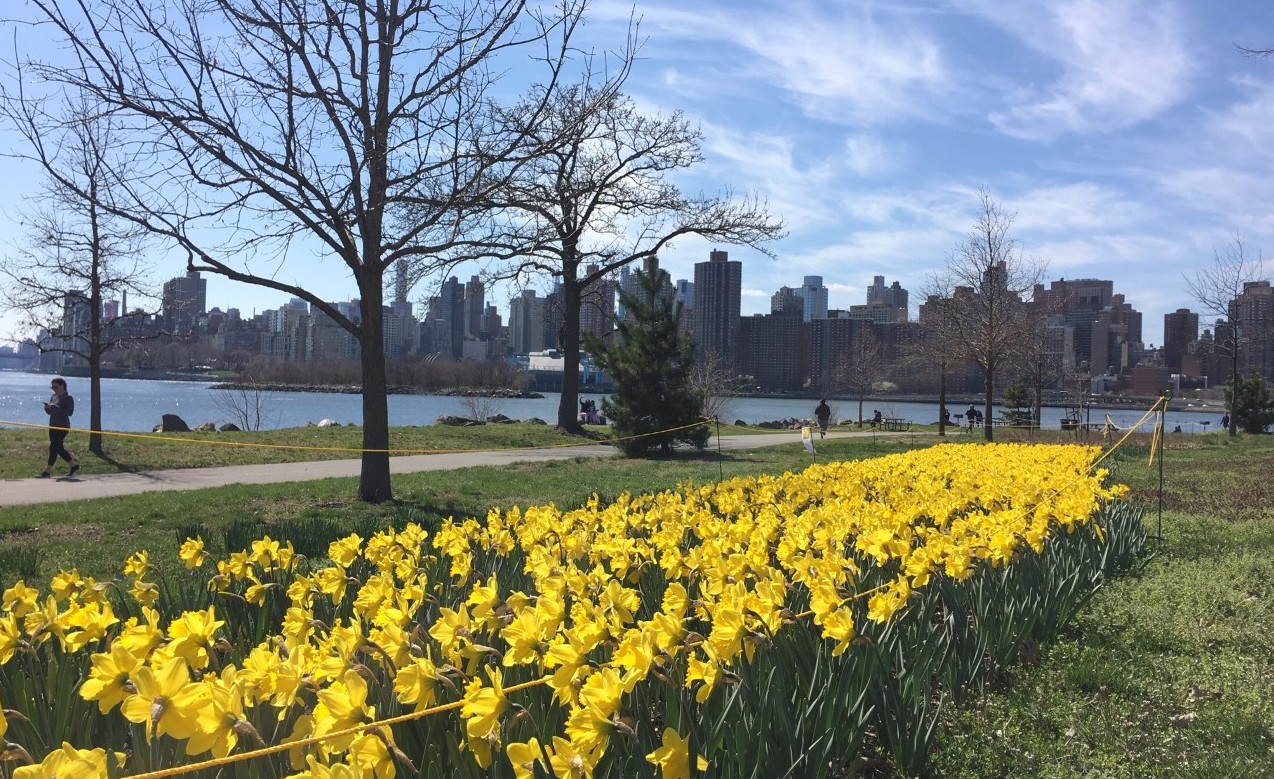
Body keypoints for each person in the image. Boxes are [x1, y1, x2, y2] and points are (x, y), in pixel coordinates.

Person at [40, 377, 80, 479]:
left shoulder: (68, 398)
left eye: (56, 387)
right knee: (58, 448)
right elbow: (50, 412)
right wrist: (47, 408)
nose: (54, 389)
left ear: (62, 386)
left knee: (53, 447)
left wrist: (55, 407)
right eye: (52, 387)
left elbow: (69, 413)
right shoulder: (53, 396)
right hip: (52, 425)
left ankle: (47, 471)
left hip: (63, 426)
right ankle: (74, 465)